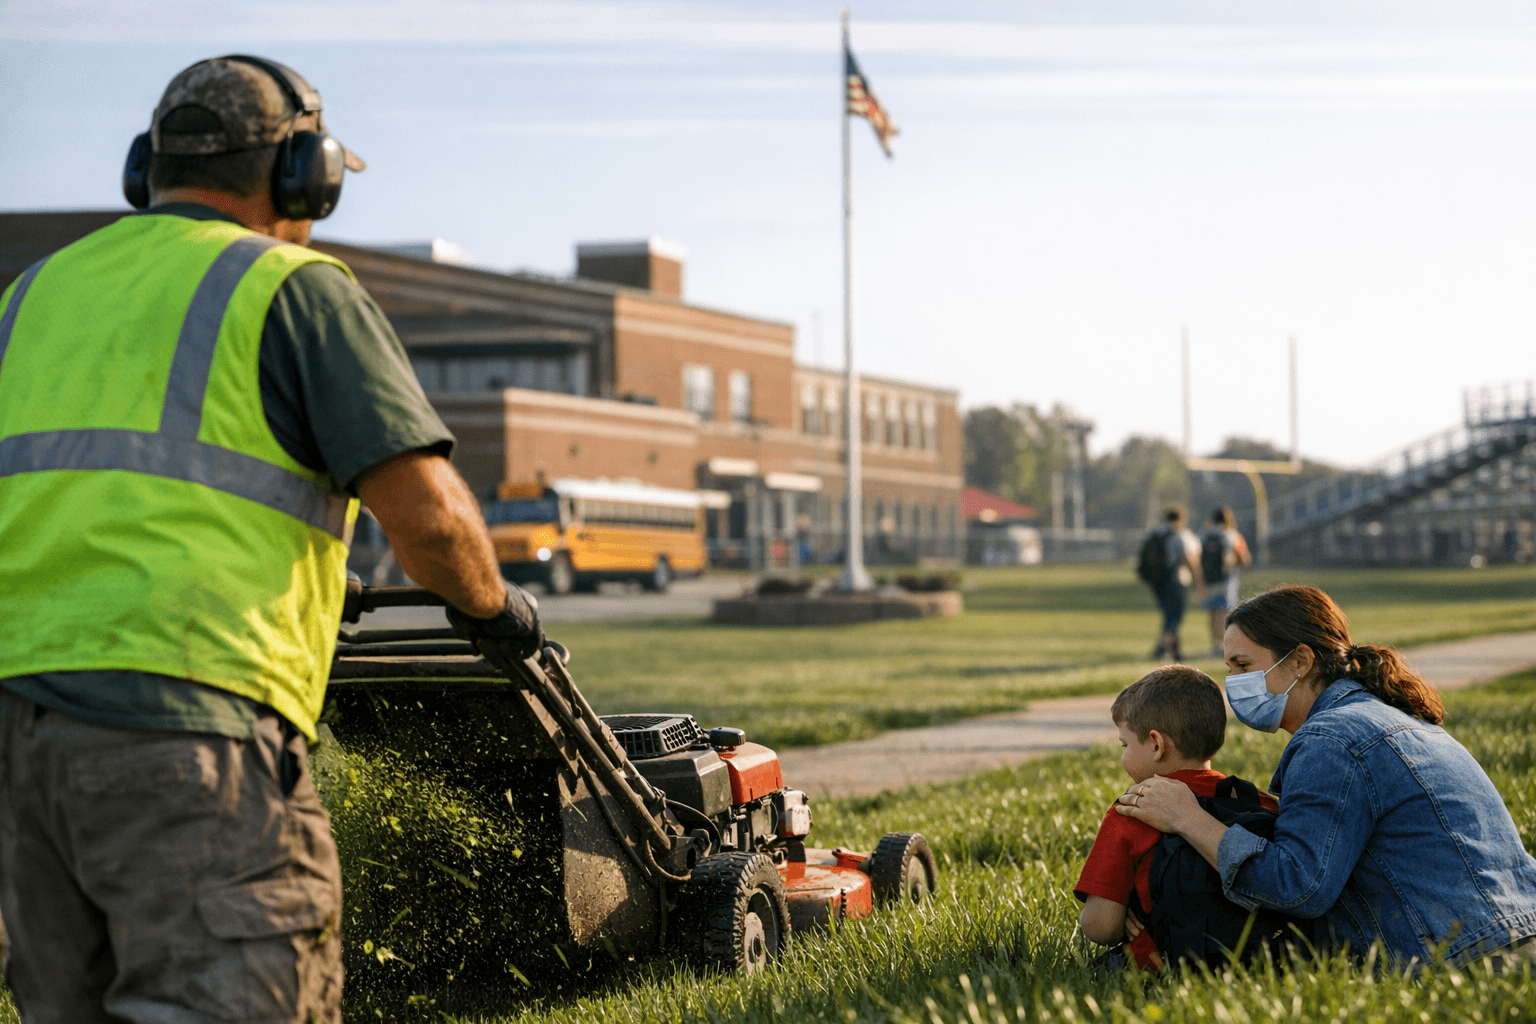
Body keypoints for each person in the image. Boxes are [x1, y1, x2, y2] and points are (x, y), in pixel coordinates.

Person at [0, 55, 541, 1023]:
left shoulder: (30, 298)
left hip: (22, 750)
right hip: (189, 737)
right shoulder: (292, 290)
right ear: (305, 174)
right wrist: (496, 611)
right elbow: (430, 518)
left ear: (146, 170)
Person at [1115, 584, 1536, 968]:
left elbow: (1297, 885)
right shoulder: (1387, 717)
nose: (1234, 683)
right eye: (1229, 668)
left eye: (1244, 665)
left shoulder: (1332, 740)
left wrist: (1186, 817)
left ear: (1300, 660)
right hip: (1511, 932)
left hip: (1465, 954)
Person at [1074, 665, 1270, 971]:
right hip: (1260, 961)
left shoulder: (1131, 811)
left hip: (1161, 964)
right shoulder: (1259, 802)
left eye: (1125, 745)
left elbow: (1100, 927)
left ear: (1156, 744)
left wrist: (1120, 914)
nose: (1123, 756)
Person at [1137, 505, 1204, 661]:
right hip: (1177, 580)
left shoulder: (1155, 534)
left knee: (1169, 615)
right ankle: (1161, 649)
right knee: (1174, 617)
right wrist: (1199, 582)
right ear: (1182, 518)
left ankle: (1176, 652)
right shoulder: (1180, 535)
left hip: (1156, 581)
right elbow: (1189, 559)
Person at [1199, 507, 1251, 657]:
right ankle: (1223, 645)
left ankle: (1215, 644)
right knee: (1224, 613)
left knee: (1213, 614)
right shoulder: (1232, 535)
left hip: (1208, 580)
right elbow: (1244, 559)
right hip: (1227, 579)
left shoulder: (1204, 535)